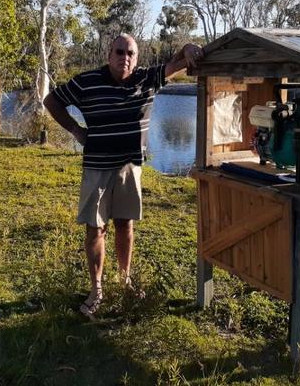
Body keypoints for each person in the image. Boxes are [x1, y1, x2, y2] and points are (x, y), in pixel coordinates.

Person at [43, 33, 203, 318]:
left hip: (130, 168)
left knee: (125, 225)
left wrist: (187, 48)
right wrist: (76, 131)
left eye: (130, 53)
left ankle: (124, 279)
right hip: (97, 167)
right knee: (95, 228)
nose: (124, 57)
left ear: (137, 58)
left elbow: (175, 63)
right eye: (119, 51)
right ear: (109, 53)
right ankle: (97, 289)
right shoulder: (86, 82)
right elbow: (51, 100)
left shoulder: (147, 79)